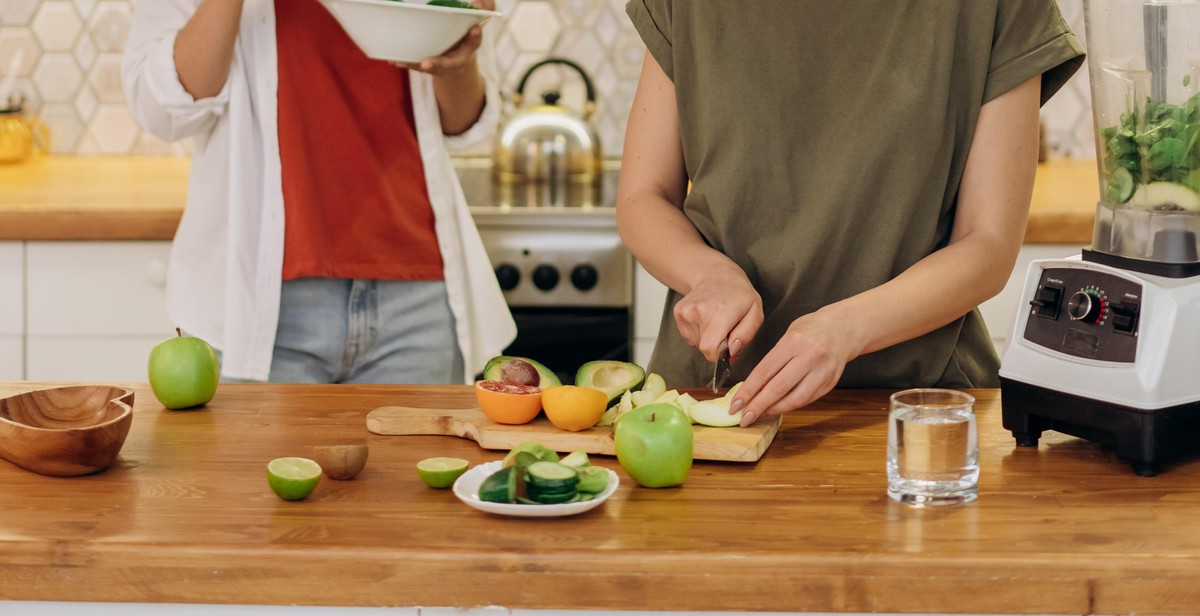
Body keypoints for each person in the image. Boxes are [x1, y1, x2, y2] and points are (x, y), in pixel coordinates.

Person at [617, 1, 1084, 426]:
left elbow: (987, 245)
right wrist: (709, 275)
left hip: (916, 413)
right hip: (704, 401)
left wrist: (845, 330)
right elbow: (644, 194)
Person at [122, 0, 515, 384]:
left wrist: (457, 58)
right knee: (251, 453)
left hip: (417, 299)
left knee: (421, 454)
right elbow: (162, 109)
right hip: (262, 303)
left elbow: (464, 124)